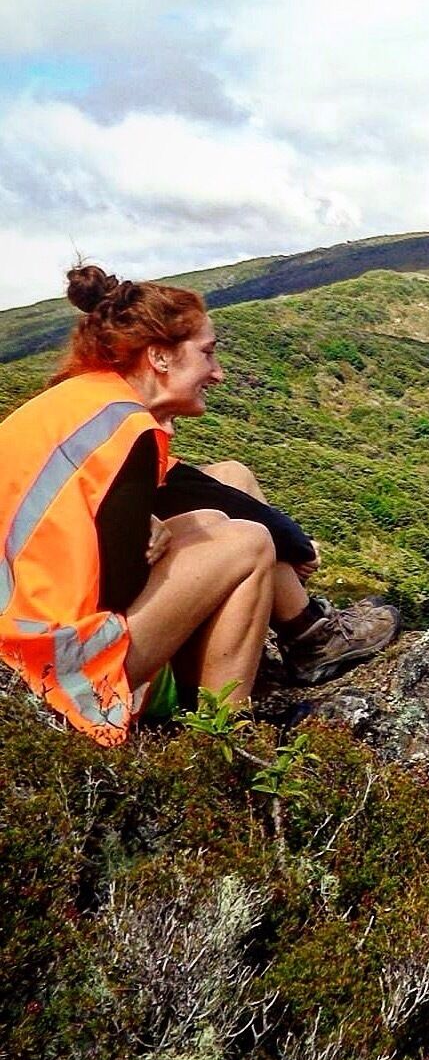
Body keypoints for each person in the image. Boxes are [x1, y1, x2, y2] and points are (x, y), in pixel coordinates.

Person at [0, 265, 398, 745]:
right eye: (207, 354)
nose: (217, 372)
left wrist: (161, 525)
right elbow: (119, 584)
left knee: (227, 492)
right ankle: (220, 736)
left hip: (25, 627)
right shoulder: (128, 430)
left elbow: (183, 487)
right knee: (246, 543)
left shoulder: (86, 398)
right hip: (53, 665)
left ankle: (307, 637)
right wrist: (164, 538)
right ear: (161, 357)